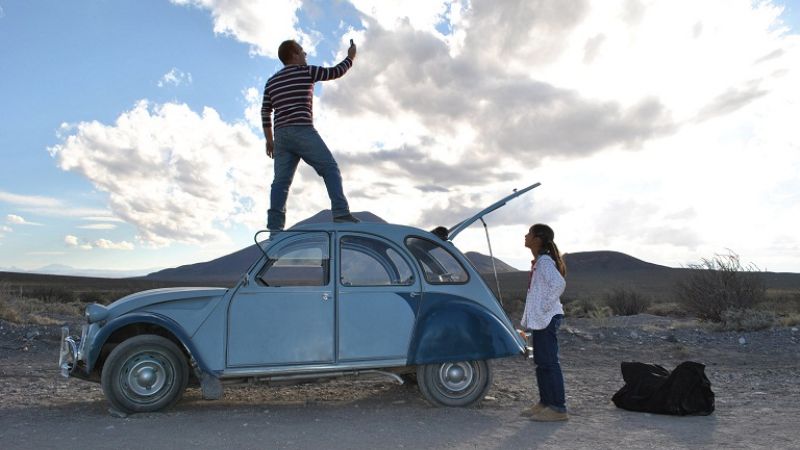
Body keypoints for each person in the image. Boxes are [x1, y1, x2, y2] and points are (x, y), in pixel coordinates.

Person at [261, 38, 360, 232]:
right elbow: (335, 72)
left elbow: (265, 111)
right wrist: (350, 57)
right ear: (294, 54)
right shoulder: (306, 72)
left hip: (281, 136)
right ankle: (340, 213)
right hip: (302, 129)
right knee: (330, 169)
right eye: (302, 52)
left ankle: (274, 229)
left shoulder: (271, 82)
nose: (305, 55)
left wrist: (269, 140)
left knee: (280, 183)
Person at [519, 223, 568, 421]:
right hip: (541, 319)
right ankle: (545, 403)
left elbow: (558, 284)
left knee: (549, 363)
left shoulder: (546, 262)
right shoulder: (540, 261)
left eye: (529, 233)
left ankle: (558, 408)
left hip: (547, 318)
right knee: (541, 363)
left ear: (537, 239)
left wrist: (544, 308)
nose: (525, 236)